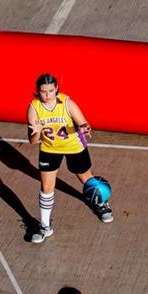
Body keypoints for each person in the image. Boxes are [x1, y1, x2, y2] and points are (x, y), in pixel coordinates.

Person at [26, 73, 113, 244]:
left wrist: (85, 128)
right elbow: (32, 141)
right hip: (49, 149)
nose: (47, 95)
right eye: (43, 92)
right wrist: (36, 132)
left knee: (87, 178)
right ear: (38, 92)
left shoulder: (67, 103)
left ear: (56, 89)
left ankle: (101, 204)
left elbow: (83, 123)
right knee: (46, 187)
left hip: (74, 146)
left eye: (51, 91)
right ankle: (45, 226)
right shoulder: (34, 107)